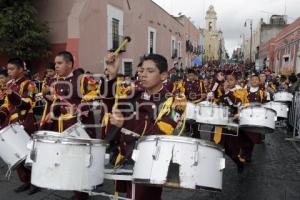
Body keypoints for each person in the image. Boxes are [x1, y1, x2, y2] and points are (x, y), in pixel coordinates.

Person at [109, 54, 186, 200]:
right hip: (126, 157)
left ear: (163, 75)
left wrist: (126, 122)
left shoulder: (176, 102)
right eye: (141, 70)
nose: (143, 74)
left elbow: (160, 134)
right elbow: (109, 101)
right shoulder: (134, 93)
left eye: (150, 71)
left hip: (151, 163)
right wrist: (112, 76)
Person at [39, 51, 97, 200]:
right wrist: (51, 113)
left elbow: (93, 96)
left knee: (80, 162)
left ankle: (83, 194)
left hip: (81, 126)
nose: (56, 66)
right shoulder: (57, 81)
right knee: (70, 161)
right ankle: (77, 191)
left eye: (59, 63)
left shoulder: (83, 79)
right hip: (63, 126)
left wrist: (78, 108)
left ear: (70, 64)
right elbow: (57, 101)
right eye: (55, 63)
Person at [0, 58, 39, 195]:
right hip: (12, 124)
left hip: (26, 123)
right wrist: (1, 114)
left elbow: (26, 104)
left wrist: (12, 96)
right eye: (8, 69)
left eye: (12, 69)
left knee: (29, 155)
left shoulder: (30, 85)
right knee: (16, 154)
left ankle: (36, 183)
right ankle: (26, 182)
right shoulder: (9, 84)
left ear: (21, 69)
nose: (9, 72)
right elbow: (6, 104)